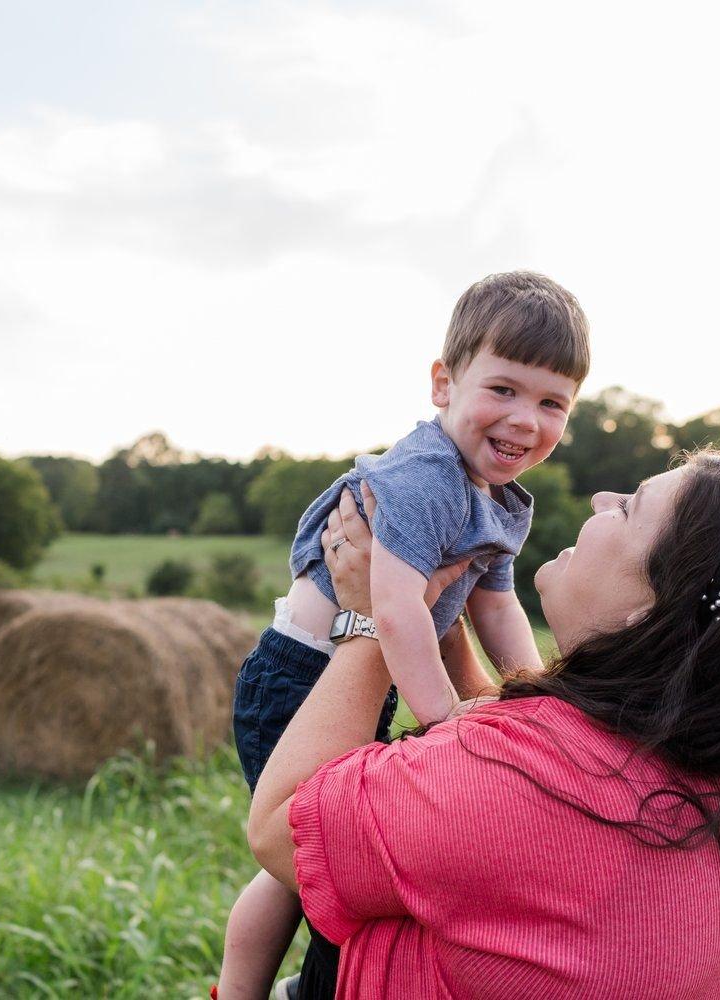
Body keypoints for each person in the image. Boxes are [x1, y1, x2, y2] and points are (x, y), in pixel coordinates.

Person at [247, 452, 720, 1000]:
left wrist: (372, 620)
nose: (600, 501)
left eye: (629, 507)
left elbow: (281, 832)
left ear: (650, 608)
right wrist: (445, 625)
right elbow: (538, 775)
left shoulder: (511, 781)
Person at [218, 272, 592, 998]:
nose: (525, 419)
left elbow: (495, 607)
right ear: (443, 384)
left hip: (359, 675)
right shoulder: (426, 478)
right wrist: (445, 721)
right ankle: (243, 991)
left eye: (553, 403)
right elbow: (392, 609)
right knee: (299, 856)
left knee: (329, 856)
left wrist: (537, 693)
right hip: (299, 677)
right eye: (504, 390)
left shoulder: (502, 499)